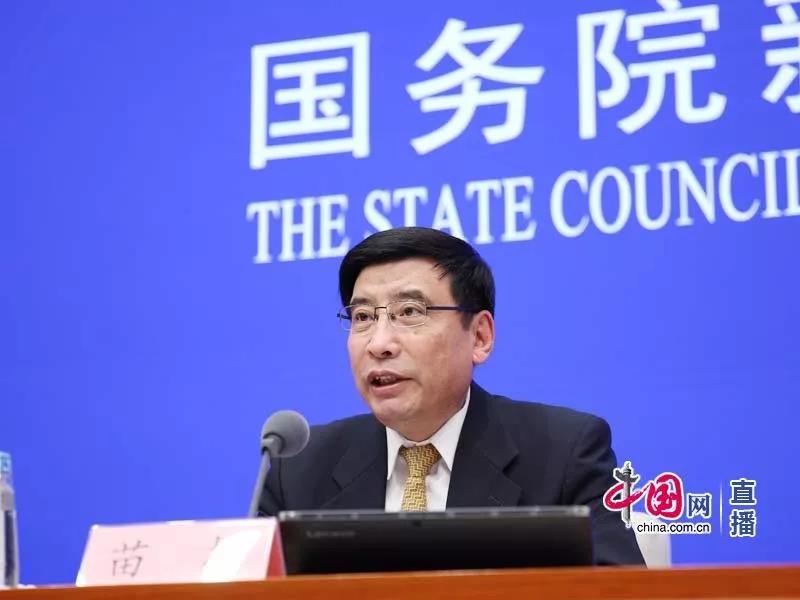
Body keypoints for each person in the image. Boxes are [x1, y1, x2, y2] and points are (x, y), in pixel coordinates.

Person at [259, 227, 644, 565]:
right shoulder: (297, 470)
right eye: (363, 317)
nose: (378, 343)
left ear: (480, 337)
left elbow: (620, 592)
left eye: (409, 312)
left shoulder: (565, 454)